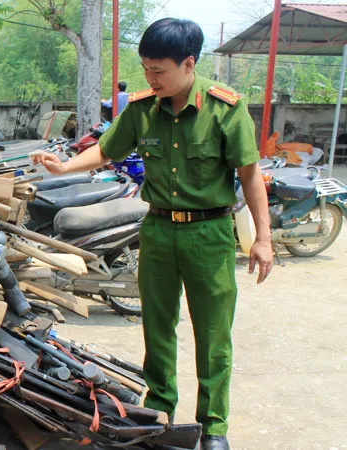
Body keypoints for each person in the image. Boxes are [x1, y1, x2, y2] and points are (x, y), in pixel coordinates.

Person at [31, 18, 273, 450]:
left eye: (159, 71)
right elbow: (107, 150)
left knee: (213, 334)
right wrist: (64, 166)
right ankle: (160, 414)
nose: (150, 78)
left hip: (210, 234)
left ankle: (214, 426)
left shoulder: (225, 108)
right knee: (157, 329)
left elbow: (250, 175)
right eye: (146, 69)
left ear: (189, 64)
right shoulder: (143, 109)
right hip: (159, 230)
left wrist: (264, 238)